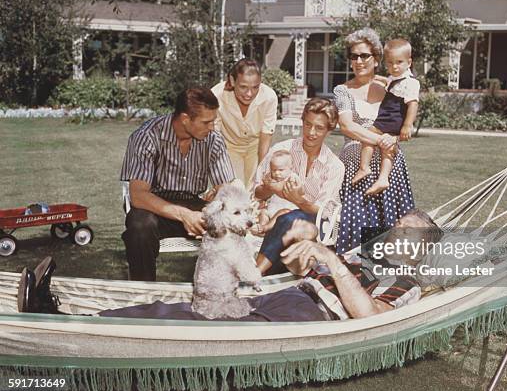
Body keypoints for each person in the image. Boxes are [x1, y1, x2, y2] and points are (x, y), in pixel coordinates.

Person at [17, 209, 442, 321]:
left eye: (406, 234)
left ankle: (72, 321)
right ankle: (73, 314)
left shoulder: (404, 280)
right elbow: (307, 275)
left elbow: (369, 314)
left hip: (304, 315)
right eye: (396, 228)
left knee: (194, 321)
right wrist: (305, 258)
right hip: (289, 296)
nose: (394, 236)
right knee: (185, 308)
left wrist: (330, 258)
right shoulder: (361, 259)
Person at [120, 87, 235, 281]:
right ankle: (143, 293)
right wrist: (184, 215)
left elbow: (226, 188)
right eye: (206, 122)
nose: (212, 128)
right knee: (140, 227)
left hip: (193, 202)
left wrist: (221, 203)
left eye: (213, 121)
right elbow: (138, 195)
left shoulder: (213, 140)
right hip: (154, 205)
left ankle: (221, 289)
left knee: (230, 222)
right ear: (185, 119)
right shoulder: (146, 136)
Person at [333, 28, 416, 255]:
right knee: (359, 225)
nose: (359, 61)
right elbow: (347, 126)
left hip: (390, 167)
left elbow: (403, 116)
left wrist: (395, 137)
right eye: (354, 56)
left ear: (377, 58)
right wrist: (382, 140)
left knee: (395, 228)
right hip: (356, 165)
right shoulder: (342, 91)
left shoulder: (392, 85)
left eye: (364, 56)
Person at [251, 97, 345, 275]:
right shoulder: (281, 150)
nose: (311, 132)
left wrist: (298, 201)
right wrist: (270, 188)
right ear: (302, 121)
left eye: (319, 128)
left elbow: (323, 212)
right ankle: (267, 276)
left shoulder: (334, 166)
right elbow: (257, 191)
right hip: (276, 218)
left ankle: (256, 273)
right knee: (284, 220)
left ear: (329, 130)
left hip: (313, 222)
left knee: (288, 219)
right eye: (308, 124)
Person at [352, 39, 420, 195]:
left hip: (392, 117)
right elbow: (390, 83)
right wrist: (380, 79)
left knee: (368, 135)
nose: (394, 67)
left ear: (409, 62)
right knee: (387, 147)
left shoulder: (411, 83)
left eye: (399, 62)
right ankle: (383, 178)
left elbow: (413, 104)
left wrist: (407, 125)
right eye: (390, 63)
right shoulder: (396, 79)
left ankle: (364, 167)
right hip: (390, 117)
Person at [211, 59, 278, 189]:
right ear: (232, 80)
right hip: (229, 147)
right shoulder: (216, 95)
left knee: (254, 191)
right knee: (235, 190)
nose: (249, 94)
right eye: (243, 87)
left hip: (256, 146)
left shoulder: (269, 97)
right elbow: (214, 136)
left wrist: (261, 172)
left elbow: (265, 138)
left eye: (255, 87)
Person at [253, 150, 300, 235]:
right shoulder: (271, 178)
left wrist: (295, 187)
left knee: (283, 212)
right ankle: (261, 227)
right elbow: (264, 189)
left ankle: (266, 228)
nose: (277, 173)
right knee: (263, 212)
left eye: (281, 170)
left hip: (286, 209)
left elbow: (301, 190)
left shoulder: (293, 178)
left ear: (291, 168)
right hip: (272, 208)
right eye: (274, 170)